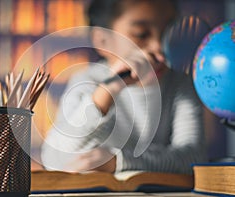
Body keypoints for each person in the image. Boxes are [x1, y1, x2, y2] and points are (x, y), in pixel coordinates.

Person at [41, 0, 207, 174]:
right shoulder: (86, 81)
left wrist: (117, 161)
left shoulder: (181, 85)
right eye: (141, 34)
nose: (159, 46)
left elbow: (194, 157)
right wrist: (107, 92)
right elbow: (55, 159)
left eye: (169, 33)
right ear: (103, 41)